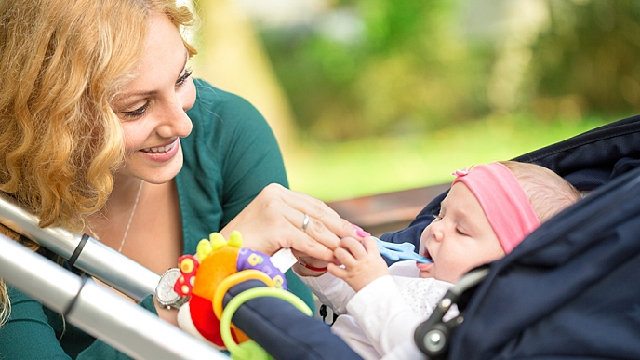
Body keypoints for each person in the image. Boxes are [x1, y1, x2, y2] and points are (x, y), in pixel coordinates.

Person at [0, 0, 365, 358]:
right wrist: (210, 275)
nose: (182, 124)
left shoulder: (227, 131)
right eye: (136, 108)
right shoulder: (8, 203)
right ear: (48, 113)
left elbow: (296, 348)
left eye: (181, 79)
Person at [293, 161, 581, 359]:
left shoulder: (472, 312)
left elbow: (417, 350)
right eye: (440, 215)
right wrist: (325, 268)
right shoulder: (412, 270)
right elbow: (353, 304)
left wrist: (372, 286)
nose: (437, 229)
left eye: (462, 230)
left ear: (505, 268)